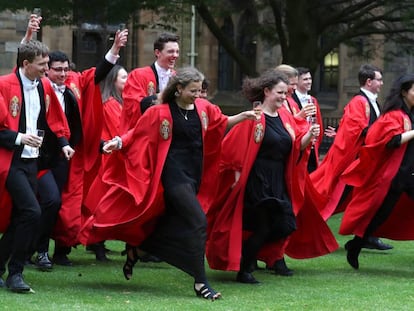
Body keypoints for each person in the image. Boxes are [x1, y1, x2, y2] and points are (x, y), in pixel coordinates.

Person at [79, 67, 258, 300]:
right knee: (198, 222)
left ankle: (139, 250)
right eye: (193, 90)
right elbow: (137, 132)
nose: (198, 94)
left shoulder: (204, 109)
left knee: (172, 225)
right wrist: (118, 142)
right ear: (178, 89)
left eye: (200, 90)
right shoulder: (160, 112)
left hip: (194, 175)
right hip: (172, 176)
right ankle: (200, 282)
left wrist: (243, 117)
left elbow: (220, 123)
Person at [205, 70, 338, 284]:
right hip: (257, 179)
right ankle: (245, 268)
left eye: (286, 94)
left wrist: (308, 137)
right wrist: (237, 178)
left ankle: (248, 259)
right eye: (280, 93)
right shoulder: (254, 118)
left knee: (284, 224)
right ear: (266, 92)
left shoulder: (285, 117)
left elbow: (293, 147)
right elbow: (232, 149)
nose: (284, 98)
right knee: (264, 225)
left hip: (278, 177)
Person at [21, 13, 128, 268]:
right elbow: (22, 66)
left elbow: (99, 72)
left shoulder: (74, 84)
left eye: (66, 70)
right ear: (47, 69)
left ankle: (59, 250)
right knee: (47, 201)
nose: (62, 74)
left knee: (67, 203)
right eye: (57, 70)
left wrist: (114, 48)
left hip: (70, 154)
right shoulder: (37, 85)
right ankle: (35, 249)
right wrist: (29, 35)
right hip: (39, 154)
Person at [0, 40, 72, 292]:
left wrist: (63, 142)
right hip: (10, 160)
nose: (47, 69)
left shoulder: (43, 86)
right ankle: (16, 272)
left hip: (33, 160)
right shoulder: (3, 85)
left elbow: (53, 118)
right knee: (32, 212)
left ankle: (2, 268)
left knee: (20, 216)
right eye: (42, 65)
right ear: (26, 64)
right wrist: (19, 138)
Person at [309, 64, 393, 251]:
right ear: (369, 81)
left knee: (365, 198)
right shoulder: (359, 102)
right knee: (334, 197)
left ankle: (367, 235)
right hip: (357, 161)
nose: (381, 83)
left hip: (366, 159)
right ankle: (308, 227)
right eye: (379, 79)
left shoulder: (371, 102)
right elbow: (357, 129)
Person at [340, 73, 414, 269]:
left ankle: (357, 244)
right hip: (397, 176)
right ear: (405, 92)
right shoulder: (395, 116)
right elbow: (390, 141)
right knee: (378, 216)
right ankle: (355, 245)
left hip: (410, 173)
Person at [83, 64, 128, 261]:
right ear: (113, 81)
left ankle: (97, 244)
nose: (128, 82)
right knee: (102, 204)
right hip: (108, 160)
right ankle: (96, 244)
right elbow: (119, 132)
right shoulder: (110, 104)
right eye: (124, 78)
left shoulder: (118, 103)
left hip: (110, 158)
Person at [120, 32, 180, 133]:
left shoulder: (178, 78)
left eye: (177, 52)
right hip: (144, 133)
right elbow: (133, 107)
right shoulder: (138, 75)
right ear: (157, 53)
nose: (175, 55)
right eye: (170, 51)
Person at [291, 67, 324, 172]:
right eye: (305, 79)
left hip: (312, 147)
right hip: (298, 146)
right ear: (297, 81)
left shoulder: (313, 100)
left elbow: (319, 123)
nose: (309, 81)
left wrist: (316, 140)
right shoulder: (290, 100)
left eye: (310, 78)